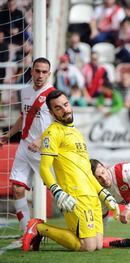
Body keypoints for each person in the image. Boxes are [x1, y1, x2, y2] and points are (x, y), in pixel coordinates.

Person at [22, 90, 119, 252]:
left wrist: (104, 194)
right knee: (87, 246)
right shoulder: (52, 133)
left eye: (66, 104)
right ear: (52, 113)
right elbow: (44, 168)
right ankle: (38, 228)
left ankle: (41, 230)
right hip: (74, 196)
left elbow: (88, 172)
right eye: (58, 108)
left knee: (98, 245)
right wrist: (57, 192)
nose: (65, 109)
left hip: (92, 195)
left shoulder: (77, 133)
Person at [0, 58, 55, 231]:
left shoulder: (54, 95)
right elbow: (23, 117)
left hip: (45, 149)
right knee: (17, 189)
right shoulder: (24, 92)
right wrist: (9, 134)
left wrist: (41, 140)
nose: (40, 75)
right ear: (31, 71)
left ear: (49, 74)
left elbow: (60, 123)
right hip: (25, 146)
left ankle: (83, 226)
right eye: (37, 71)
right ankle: (27, 232)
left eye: (44, 72)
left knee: (61, 190)